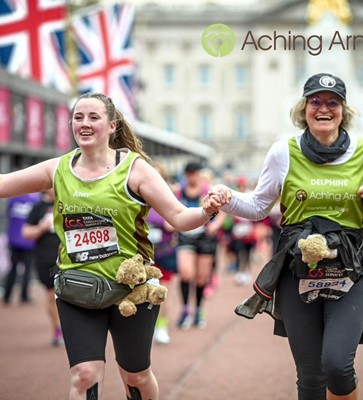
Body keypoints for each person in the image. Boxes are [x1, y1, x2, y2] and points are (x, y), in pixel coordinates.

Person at [0, 92, 221, 400]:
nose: (85, 124)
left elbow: (180, 217)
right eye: (79, 118)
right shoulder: (57, 169)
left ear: (113, 125)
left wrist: (207, 209)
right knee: (84, 375)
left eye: (94, 117)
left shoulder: (135, 169)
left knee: (136, 375)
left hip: (130, 289)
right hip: (77, 286)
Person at [208, 73, 363, 400]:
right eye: (316, 101)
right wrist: (226, 198)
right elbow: (257, 206)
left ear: (343, 110)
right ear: (304, 108)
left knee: (338, 365)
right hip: (298, 268)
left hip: (351, 269)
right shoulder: (283, 151)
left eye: (332, 102)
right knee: (310, 378)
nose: (323, 108)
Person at [175, 161, 219, 330]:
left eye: (196, 174)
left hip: (205, 236)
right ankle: (186, 310)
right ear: (186, 175)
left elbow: (222, 212)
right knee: (186, 274)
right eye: (190, 174)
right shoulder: (179, 192)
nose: (193, 177)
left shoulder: (208, 191)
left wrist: (216, 225)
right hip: (186, 237)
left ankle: (199, 310)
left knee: (201, 277)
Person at [22, 188, 63, 346]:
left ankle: (70, 328)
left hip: (67, 258)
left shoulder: (66, 203)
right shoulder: (37, 207)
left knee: (70, 294)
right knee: (52, 294)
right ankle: (57, 329)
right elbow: (26, 233)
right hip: (45, 258)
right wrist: (41, 228)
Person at [146, 163, 178, 345]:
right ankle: (147, 327)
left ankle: (162, 327)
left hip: (164, 252)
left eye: (158, 176)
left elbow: (175, 224)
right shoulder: (135, 199)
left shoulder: (169, 199)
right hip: (142, 254)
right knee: (143, 294)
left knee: (162, 293)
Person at [2, 192, 39, 305]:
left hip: (14, 239)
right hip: (29, 241)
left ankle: (7, 296)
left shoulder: (13, 199)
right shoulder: (35, 200)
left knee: (13, 268)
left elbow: (8, 214)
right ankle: (24, 296)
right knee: (27, 270)